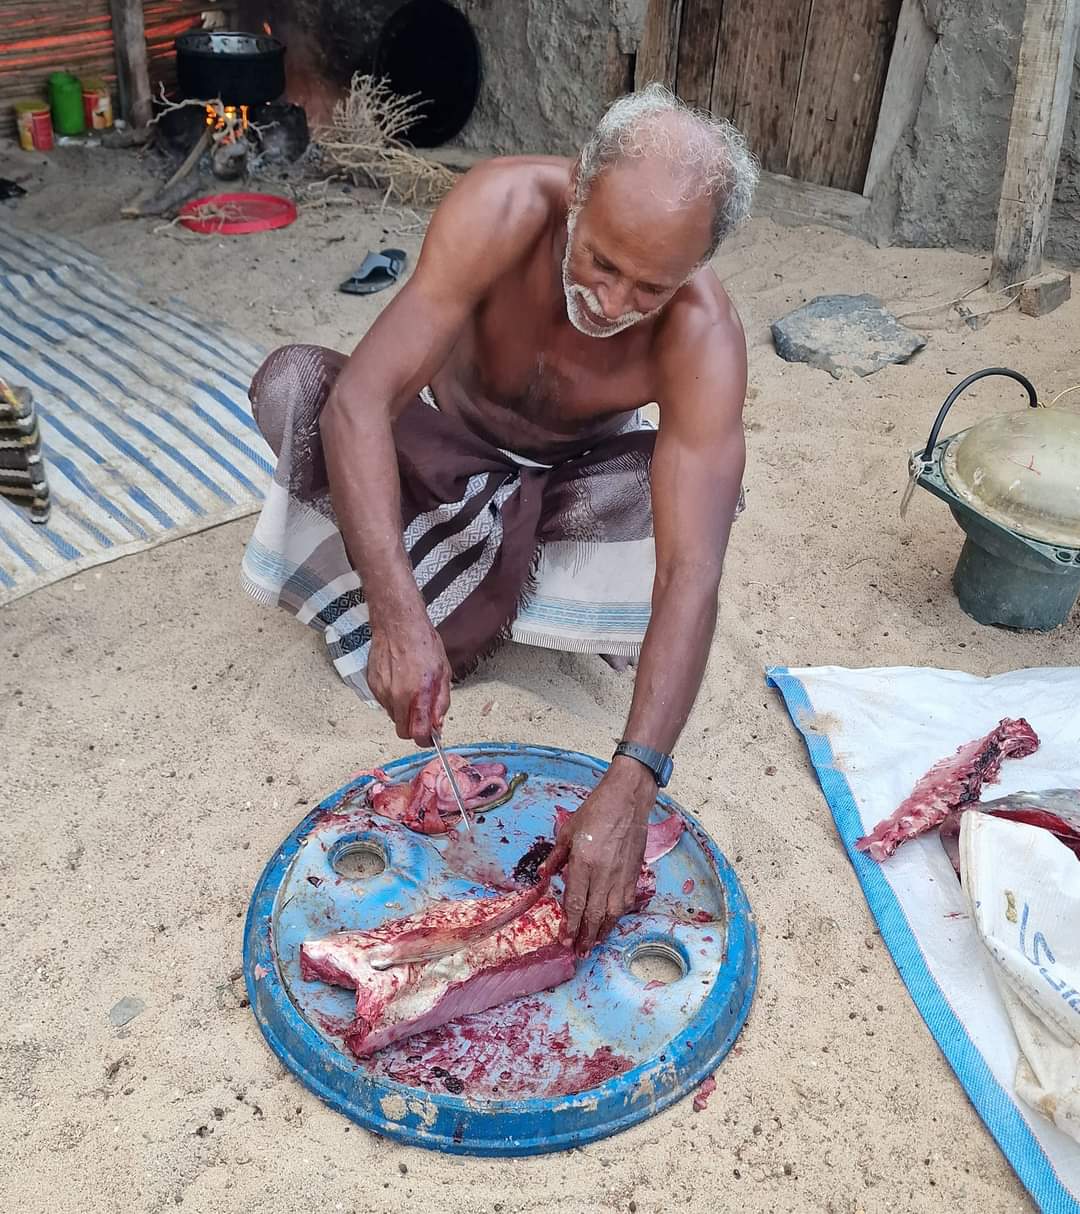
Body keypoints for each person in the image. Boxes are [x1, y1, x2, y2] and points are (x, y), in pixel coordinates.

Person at [241, 84, 757, 954]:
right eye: (600, 260)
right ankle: (434, 583)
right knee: (298, 386)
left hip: (566, 488)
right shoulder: (502, 205)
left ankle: (474, 575)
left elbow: (689, 574)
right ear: (580, 189)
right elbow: (362, 405)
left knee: (703, 504)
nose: (613, 299)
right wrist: (399, 623)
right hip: (443, 453)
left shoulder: (705, 335)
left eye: (651, 286)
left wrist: (636, 780)